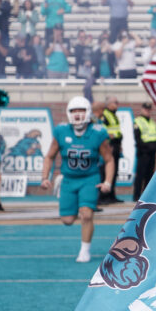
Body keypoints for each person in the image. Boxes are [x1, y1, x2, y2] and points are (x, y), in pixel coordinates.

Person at [39, 96, 115, 262]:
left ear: (88, 113)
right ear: (68, 113)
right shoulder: (61, 131)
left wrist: (108, 181)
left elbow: (109, 159)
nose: (78, 114)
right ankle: (62, 187)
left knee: (86, 214)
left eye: (81, 110)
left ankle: (84, 250)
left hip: (90, 178)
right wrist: (45, 177)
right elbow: (50, 156)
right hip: (69, 178)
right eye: (74, 111)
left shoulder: (97, 132)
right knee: (67, 220)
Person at [132, 102, 156, 200]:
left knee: (149, 176)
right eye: (146, 109)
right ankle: (136, 196)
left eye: (149, 109)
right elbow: (138, 141)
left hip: (152, 153)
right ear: (142, 109)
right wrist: (154, 146)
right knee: (140, 176)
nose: (147, 111)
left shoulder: (152, 122)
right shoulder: (138, 122)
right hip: (143, 153)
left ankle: (145, 197)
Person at [99, 96, 123, 203]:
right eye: (115, 102)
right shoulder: (105, 114)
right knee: (106, 171)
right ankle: (103, 196)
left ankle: (112, 195)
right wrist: (109, 137)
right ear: (109, 104)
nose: (117, 104)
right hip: (109, 145)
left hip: (116, 144)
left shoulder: (114, 115)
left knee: (115, 170)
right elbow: (102, 128)